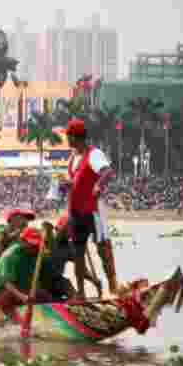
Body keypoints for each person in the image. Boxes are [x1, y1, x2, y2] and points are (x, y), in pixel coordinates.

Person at [65, 117, 117, 294]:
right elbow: (74, 182)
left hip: (93, 210)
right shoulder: (72, 158)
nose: (67, 139)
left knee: (103, 249)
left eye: (69, 135)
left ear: (77, 137)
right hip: (75, 212)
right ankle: (81, 294)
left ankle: (113, 288)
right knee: (78, 254)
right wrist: (66, 185)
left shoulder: (94, 154)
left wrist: (98, 185)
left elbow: (108, 172)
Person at [0, 226, 57, 316]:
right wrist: (22, 297)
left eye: (36, 245)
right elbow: (7, 283)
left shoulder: (38, 252)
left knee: (44, 296)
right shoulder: (10, 256)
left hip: (24, 288)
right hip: (3, 290)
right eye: (31, 244)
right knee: (8, 297)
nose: (34, 247)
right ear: (22, 241)